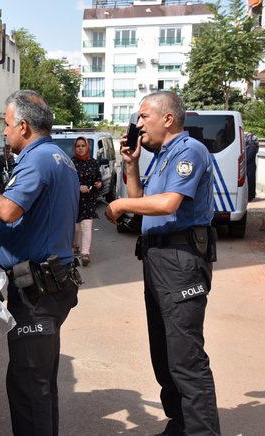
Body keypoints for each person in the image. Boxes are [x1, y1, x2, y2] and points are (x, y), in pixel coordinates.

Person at [0, 90, 80, 436]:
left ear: (23, 126)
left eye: (7, 125)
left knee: (28, 385)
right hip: (49, 283)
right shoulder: (58, 157)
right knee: (40, 381)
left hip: (37, 290)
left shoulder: (37, 159)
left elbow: (8, 210)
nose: (4, 133)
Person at [105, 91, 220, 436]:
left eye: (144, 117)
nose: (138, 124)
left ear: (167, 119)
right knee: (164, 351)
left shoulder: (189, 151)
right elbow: (143, 199)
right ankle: (180, 424)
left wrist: (121, 205)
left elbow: (168, 203)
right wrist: (130, 164)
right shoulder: (161, 156)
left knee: (185, 357)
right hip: (157, 257)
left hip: (181, 259)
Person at [72, 136, 102, 266]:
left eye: (83, 146)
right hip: (74, 199)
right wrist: (78, 187)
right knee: (76, 228)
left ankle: (85, 253)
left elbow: (98, 177)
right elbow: (66, 181)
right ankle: (75, 245)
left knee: (86, 226)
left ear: (87, 147)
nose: (80, 148)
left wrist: (98, 183)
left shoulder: (93, 162)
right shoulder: (70, 163)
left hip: (89, 200)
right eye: (78, 146)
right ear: (75, 148)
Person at [246, 132, 258, 202]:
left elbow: (248, 157)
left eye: (249, 137)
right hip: (248, 166)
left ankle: (250, 196)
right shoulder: (248, 146)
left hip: (250, 167)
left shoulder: (252, 146)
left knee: (250, 182)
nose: (247, 138)